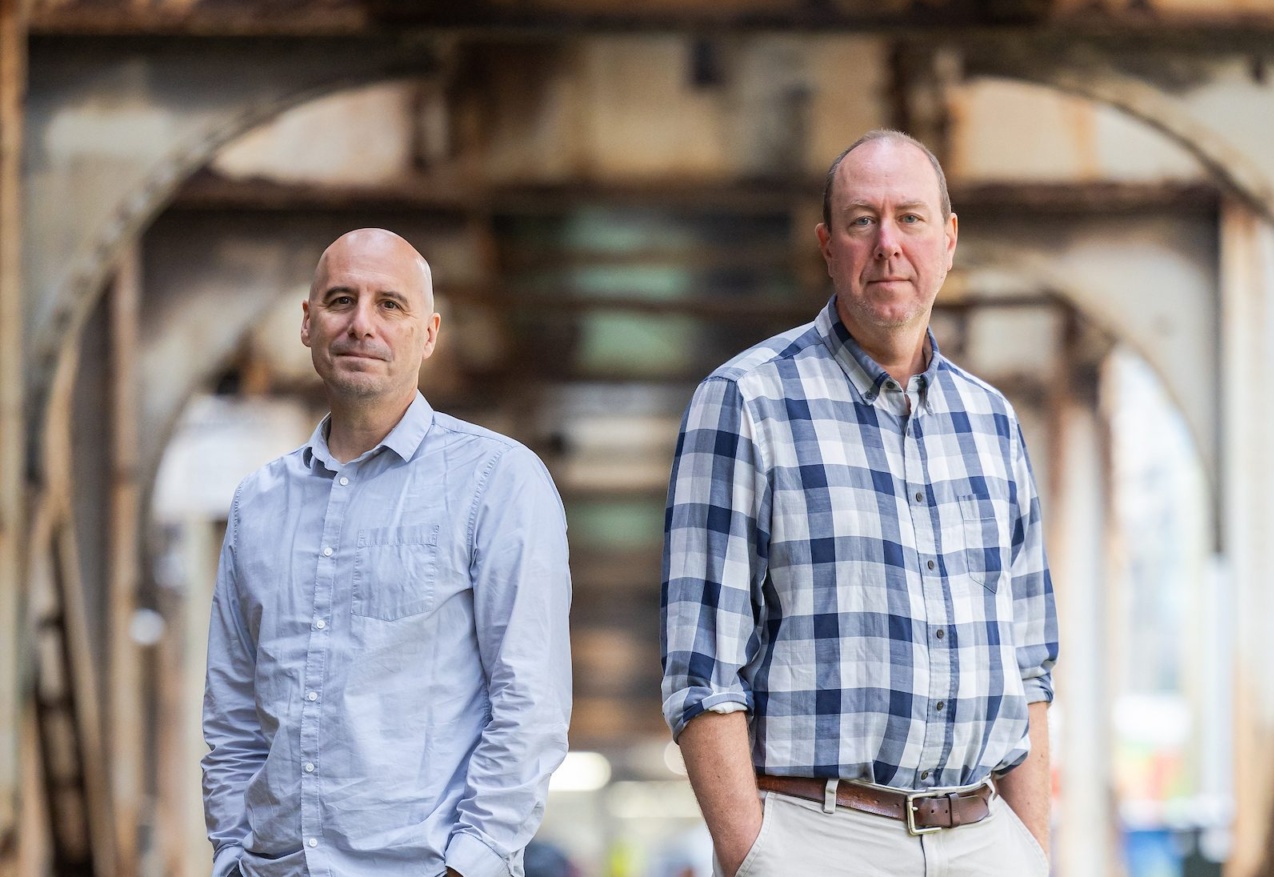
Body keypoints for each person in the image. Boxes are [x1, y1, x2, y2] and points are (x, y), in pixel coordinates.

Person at [660, 130, 1058, 877]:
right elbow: (701, 670)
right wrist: (758, 857)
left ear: (948, 240)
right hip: (821, 839)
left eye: (910, 218)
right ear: (826, 244)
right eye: (861, 220)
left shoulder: (994, 420)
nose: (888, 244)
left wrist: (1030, 851)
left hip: (984, 838)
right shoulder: (745, 401)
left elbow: (1030, 663)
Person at [202, 228, 572, 877]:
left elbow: (530, 705)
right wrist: (232, 852)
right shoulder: (257, 503)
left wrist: (472, 862)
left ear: (428, 333)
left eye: (390, 304)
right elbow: (232, 715)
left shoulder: (497, 482)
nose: (361, 324)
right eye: (341, 300)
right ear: (308, 322)